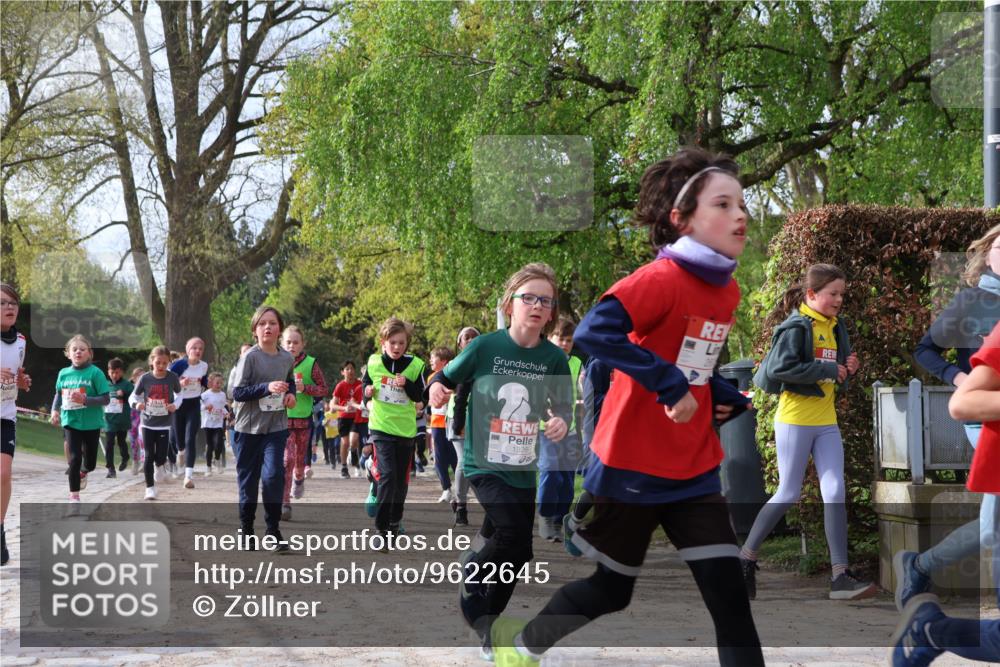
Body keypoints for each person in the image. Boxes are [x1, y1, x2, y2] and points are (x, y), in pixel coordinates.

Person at [486, 150, 763, 667]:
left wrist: (720, 397)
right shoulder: (660, 279)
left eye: (742, 203)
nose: (741, 215)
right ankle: (521, 645)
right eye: (723, 204)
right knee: (613, 591)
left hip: (694, 470)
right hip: (631, 465)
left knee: (730, 599)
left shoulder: (726, 292)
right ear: (681, 220)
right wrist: (666, 384)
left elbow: (688, 363)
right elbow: (595, 332)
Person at [428, 263, 574, 660]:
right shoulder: (485, 347)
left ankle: (488, 627)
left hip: (523, 468)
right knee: (512, 541)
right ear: (510, 305)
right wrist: (438, 390)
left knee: (516, 551)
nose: (538, 305)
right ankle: (473, 571)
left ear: (551, 312)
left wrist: (560, 422)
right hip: (483, 463)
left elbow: (562, 408)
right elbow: (442, 378)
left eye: (546, 300)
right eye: (529, 297)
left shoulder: (553, 359)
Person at [744, 263, 871, 600]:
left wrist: (848, 368)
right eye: (833, 294)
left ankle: (840, 576)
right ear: (812, 294)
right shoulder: (797, 326)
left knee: (835, 491)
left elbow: (836, 368)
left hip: (826, 422)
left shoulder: (836, 325)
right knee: (788, 493)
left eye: (842, 294)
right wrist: (829, 368)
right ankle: (745, 560)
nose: (839, 300)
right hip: (795, 420)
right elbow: (781, 368)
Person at [894, 225, 1000, 611]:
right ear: (987, 255)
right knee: (993, 527)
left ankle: (920, 565)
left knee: (993, 527)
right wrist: (959, 377)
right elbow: (926, 350)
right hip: (982, 420)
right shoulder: (972, 300)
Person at [888, 322, 1000, 665]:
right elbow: (963, 402)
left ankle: (928, 629)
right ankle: (929, 629)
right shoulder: (973, 302)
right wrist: (955, 374)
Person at [230, 305, 296, 550]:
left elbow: (290, 383)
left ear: (279, 329)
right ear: (255, 330)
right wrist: (265, 388)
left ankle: (273, 531)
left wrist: (291, 395)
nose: (267, 327)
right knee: (248, 482)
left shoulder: (287, 357)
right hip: (248, 430)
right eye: (262, 324)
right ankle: (246, 530)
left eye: (273, 323)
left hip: (276, 426)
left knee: (273, 476)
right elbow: (237, 393)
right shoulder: (250, 357)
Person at [362, 317, 426, 543]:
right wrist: (367, 393)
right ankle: (381, 528)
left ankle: (394, 521)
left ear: (406, 344)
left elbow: (421, 397)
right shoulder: (373, 363)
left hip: (405, 430)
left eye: (401, 343)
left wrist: (406, 385)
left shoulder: (416, 365)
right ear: (383, 343)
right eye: (392, 343)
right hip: (380, 427)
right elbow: (364, 390)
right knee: (388, 475)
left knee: (400, 481)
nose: (397, 347)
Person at [536, 317, 583, 541]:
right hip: (545, 428)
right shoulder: (541, 359)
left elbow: (579, 392)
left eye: (569, 340)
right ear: (550, 337)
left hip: (570, 429)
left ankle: (560, 520)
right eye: (560, 338)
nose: (564, 343)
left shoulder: (576, 363)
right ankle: (545, 517)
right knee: (550, 471)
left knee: (567, 479)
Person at [51, 335, 111, 503]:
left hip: (92, 423)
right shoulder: (63, 373)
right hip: (71, 421)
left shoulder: (95, 373)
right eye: (74, 349)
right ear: (68, 354)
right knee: (75, 458)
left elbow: (106, 399)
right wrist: (55, 411)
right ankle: (74, 496)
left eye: (82, 349)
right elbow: (58, 394)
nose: (78, 352)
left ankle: (84, 472)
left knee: (90, 462)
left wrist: (86, 400)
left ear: (89, 353)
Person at [280, 325, 328, 520]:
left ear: (302, 344)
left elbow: (324, 389)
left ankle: (298, 479)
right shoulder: (277, 362)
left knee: (299, 463)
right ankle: (285, 504)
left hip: (304, 420)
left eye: (295, 342)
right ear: (282, 343)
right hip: (282, 419)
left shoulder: (311, 363)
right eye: (288, 342)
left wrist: (306, 388)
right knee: (286, 461)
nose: (292, 345)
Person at [128, 346, 182, 499]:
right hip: (147, 423)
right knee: (149, 455)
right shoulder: (145, 378)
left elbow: (180, 395)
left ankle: (160, 467)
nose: (161, 366)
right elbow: (132, 397)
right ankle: (149, 489)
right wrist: (137, 404)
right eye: (158, 363)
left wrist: (175, 405)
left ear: (169, 363)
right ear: (152, 361)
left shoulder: (172, 377)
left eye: (165, 363)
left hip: (164, 423)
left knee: (161, 456)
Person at [1, 284, 30, 565]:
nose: (9, 307)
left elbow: (17, 375)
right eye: (2, 303)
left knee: (3, 474)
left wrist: (21, 381)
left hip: (5, 415)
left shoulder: (21, 341)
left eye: (13, 303)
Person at [447, 327, 480, 526]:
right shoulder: (454, 364)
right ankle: (461, 506)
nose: (469, 340)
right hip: (457, 419)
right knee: (463, 461)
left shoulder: (488, 364)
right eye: (465, 338)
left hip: (481, 421)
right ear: (459, 343)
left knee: (475, 464)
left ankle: (457, 497)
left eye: (474, 337)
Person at [169, 337, 209, 488]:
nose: (197, 351)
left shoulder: (204, 366)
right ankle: (180, 452)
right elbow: (167, 382)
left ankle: (188, 476)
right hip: (178, 404)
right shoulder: (179, 365)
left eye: (200, 349)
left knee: (190, 438)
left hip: (193, 404)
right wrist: (179, 383)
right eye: (194, 348)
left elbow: (203, 380)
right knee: (178, 440)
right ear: (188, 350)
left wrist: (208, 383)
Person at [427, 346, 458, 504]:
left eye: (434, 358)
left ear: (444, 361)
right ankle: (446, 489)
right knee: (439, 457)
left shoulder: (456, 376)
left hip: (452, 422)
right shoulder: (431, 377)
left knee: (454, 457)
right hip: (436, 422)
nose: (430, 360)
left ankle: (459, 490)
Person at [103, 358, 133, 478]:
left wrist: (124, 395)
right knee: (109, 443)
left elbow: (134, 400)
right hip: (109, 420)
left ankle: (125, 457)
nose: (114, 375)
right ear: (108, 372)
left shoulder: (127, 385)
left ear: (121, 372)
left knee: (121, 442)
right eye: (112, 372)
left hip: (122, 420)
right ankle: (110, 469)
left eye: (117, 372)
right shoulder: (104, 385)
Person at [332, 360, 362, 478]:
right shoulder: (340, 386)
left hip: (357, 417)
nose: (350, 371)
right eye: (347, 369)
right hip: (344, 417)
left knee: (354, 440)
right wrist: (344, 408)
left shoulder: (360, 384)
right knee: (345, 442)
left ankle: (354, 452)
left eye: (352, 369)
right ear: (342, 372)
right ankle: (344, 467)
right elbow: (333, 405)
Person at [200, 372, 228, 475]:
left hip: (218, 423)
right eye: (217, 382)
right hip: (207, 423)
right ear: (211, 383)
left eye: (221, 383)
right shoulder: (205, 395)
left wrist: (226, 413)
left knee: (219, 444)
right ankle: (208, 468)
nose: (219, 385)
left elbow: (222, 407)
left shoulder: (222, 394)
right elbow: (198, 406)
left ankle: (217, 460)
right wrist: (205, 407)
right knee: (210, 445)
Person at [128, 367, 145, 475]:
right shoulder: (131, 388)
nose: (141, 378)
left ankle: (144, 462)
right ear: (134, 378)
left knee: (143, 438)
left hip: (146, 414)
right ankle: (135, 461)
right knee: (133, 439)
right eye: (139, 376)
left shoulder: (149, 385)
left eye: (143, 375)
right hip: (133, 414)